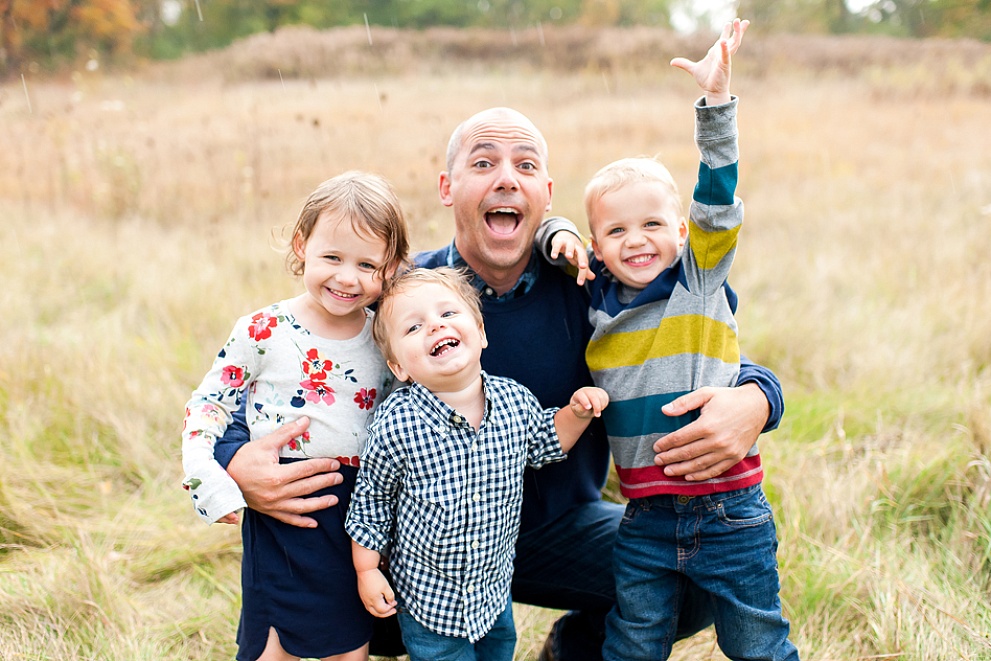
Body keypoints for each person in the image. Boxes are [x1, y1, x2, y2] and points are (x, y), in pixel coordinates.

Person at [212, 49, 786, 661]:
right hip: (425, 540)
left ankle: (574, 651)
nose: (506, 178)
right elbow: (283, 376)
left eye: (525, 165)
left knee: (690, 570)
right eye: (483, 163)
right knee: (318, 552)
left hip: (554, 529)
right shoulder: (406, 299)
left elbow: (694, 347)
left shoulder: (588, 283)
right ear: (447, 187)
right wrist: (236, 459)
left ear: (545, 192)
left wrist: (757, 398)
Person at [540, 19, 799, 660]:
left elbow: (717, 195)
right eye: (618, 231)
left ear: (681, 233)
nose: (637, 240)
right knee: (633, 643)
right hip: (644, 519)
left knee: (757, 642)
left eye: (654, 223)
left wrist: (714, 104)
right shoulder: (595, 300)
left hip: (728, 509)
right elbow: (548, 233)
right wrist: (559, 237)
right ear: (597, 247)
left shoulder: (698, 283)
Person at [180, 171, 410, 661]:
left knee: (348, 646)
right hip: (282, 510)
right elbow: (209, 404)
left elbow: (404, 415)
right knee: (273, 646)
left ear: (389, 268)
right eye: (332, 257)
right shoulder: (263, 330)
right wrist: (208, 476)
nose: (347, 278)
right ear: (301, 244)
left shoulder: (385, 336)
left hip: (359, 519)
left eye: (367, 264)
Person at [344, 267, 609, 661]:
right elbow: (372, 503)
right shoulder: (396, 423)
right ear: (398, 367)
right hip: (428, 601)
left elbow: (546, 441)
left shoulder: (513, 401)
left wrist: (577, 412)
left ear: (481, 332)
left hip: (492, 591)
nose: (435, 326)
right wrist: (367, 571)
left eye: (448, 314)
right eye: (414, 327)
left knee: (500, 650)